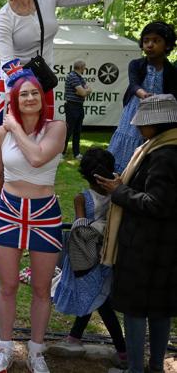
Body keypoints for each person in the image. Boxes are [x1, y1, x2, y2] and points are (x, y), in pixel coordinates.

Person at [0, 67, 66, 373]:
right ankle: (5, 347)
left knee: (41, 288)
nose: (30, 97)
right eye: (24, 94)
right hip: (9, 210)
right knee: (7, 286)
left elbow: (37, 158)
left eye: (35, 92)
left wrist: (15, 128)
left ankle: (36, 350)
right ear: (14, 99)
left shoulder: (57, 127)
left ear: (43, 96)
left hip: (44, 213)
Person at [98, 94, 177, 373]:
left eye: (142, 124)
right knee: (159, 310)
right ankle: (155, 367)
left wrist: (118, 191)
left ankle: (135, 369)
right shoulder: (164, 149)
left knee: (136, 310)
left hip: (145, 247)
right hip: (163, 247)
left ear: (157, 124)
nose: (138, 129)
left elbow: (156, 202)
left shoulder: (163, 155)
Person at [50, 148, 127, 368]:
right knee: (96, 297)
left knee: (101, 303)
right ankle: (74, 337)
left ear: (85, 174)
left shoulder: (81, 199)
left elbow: (81, 230)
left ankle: (122, 350)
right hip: (108, 256)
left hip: (86, 258)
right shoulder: (118, 195)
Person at [107, 21, 177, 173]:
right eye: (146, 40)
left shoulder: (171, 70)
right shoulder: (136, 64)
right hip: (135, 111)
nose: (150, 45)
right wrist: (143, 94)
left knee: (151, 147)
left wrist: (157, 100)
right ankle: (119, 174)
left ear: (167, 45)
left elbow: (172, 95)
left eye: (156, 41)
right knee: (128, 140)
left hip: (159, 115)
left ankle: (140, 175)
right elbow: (134, 84)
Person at [63, 60, 92, 160]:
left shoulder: (79, 77)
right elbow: (83, 92)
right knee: (68, 131)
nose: (85, 69)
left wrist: (84, 91)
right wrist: (83, 91)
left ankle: (77, 153)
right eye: (84, 67)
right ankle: (61, 153)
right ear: (81, 67)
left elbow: (87, 90)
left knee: (77, 131)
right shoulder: (73, 76)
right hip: (72, 106)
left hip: (79, 106)